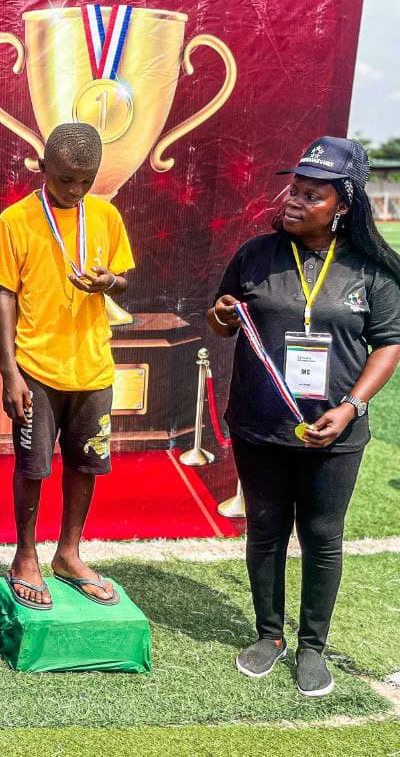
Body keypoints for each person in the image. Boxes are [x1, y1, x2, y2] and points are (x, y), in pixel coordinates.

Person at [207, 136, 400, 698]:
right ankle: (270, 636)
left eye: (311, 195)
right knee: (265, 530)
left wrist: (351, 407)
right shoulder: (255, 255)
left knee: (322, 536)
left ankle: (312, 646)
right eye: (294, 189)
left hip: (333, 431)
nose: (293, 201)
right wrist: (221, 315)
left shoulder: (370, 270)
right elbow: (223, 322)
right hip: (259, 425)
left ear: (344, 204)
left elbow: (387, 344)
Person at [0, 122, 135, 611]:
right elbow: (4, 293)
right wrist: (10, 370)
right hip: (35, 364)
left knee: (85, 463)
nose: (75, 189)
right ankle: (25, 556)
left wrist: (108, 282)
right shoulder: (15, 220)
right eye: (65, 178)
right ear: (42, 166)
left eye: (85, 180)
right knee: (33, 466)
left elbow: (125, 282)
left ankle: (68, 554)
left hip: (92, 366)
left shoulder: (107, 217)